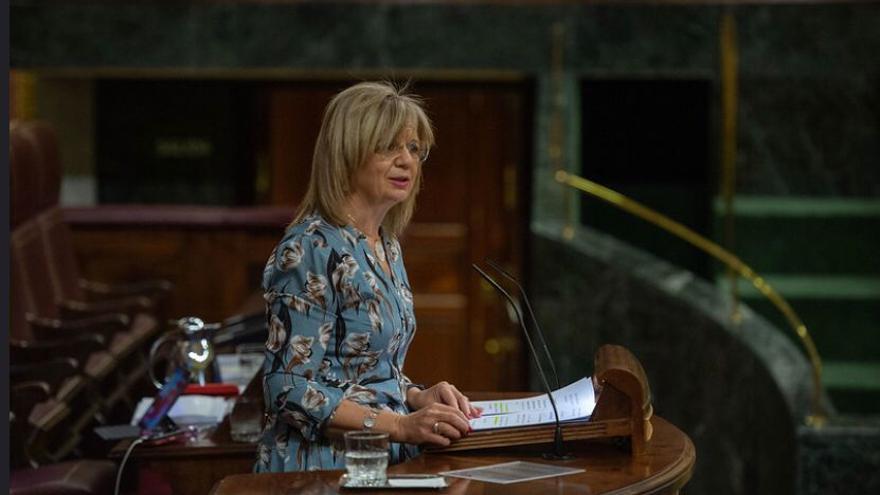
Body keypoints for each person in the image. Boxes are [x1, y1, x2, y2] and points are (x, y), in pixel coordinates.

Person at [255, 81, 482, 473]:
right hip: (320, 468)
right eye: (388, 147)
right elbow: (286, 388)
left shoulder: (385, 244)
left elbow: (365, 369)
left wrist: (415, 396)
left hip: (381, 459)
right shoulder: (310, 249)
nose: (407, 161)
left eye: (414, 148)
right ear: (346, 154)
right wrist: (400, 425)